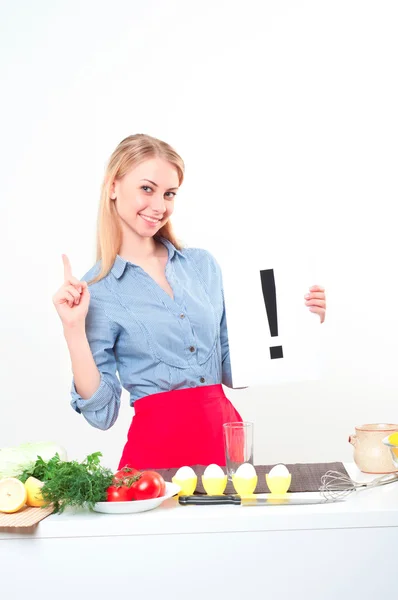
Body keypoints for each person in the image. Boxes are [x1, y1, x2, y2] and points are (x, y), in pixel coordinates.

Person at [52, 134, 326, 469]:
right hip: (156, 457)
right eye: (147, 189)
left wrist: (301, 319)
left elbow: (234, 369)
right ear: (112, 186)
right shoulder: (98, 291)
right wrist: (73, 329)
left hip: (225, 445)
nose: (159, 206)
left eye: (169, 194)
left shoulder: (202, 266)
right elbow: (102, 414)